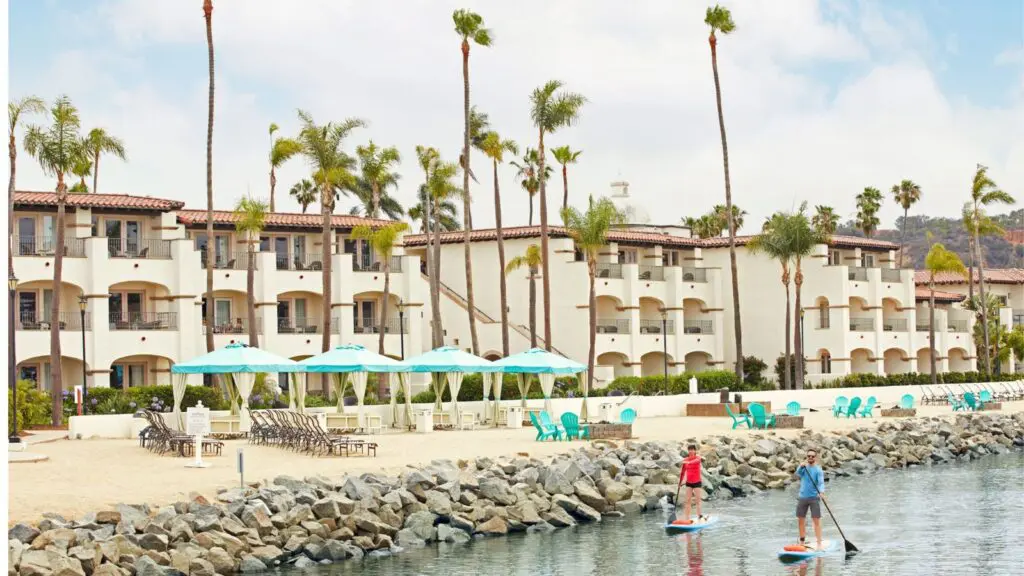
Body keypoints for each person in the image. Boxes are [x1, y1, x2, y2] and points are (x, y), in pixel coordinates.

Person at [795, 448, 826, 549]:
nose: (810, 458)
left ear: (815, 458)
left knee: (816, 520)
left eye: (812, 456)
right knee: (801, 520)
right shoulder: (804, 467)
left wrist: (821, 492)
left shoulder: (818, 470)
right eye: (809, 456)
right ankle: (802, 542)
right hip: (802, 497)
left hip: (814, 498)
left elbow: (821, 482)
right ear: (807, 457)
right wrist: (801, 466)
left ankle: (819, 543)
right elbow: (797, 474)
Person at [679, 444, 706, 521]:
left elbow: (696, 461)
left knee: (698, 501)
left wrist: (688, 463)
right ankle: (687, 518)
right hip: (689, 483)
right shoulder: (686, 459)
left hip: (697, 482)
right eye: (689, 450)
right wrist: (680, 482)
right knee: (687, 501)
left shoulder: (697, 458)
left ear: (695, 451)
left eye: (692, 450)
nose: (691, 451)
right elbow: (682, 472)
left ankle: (699, 516)